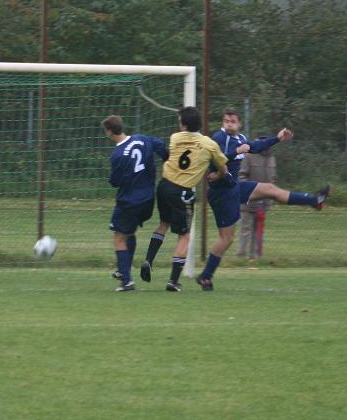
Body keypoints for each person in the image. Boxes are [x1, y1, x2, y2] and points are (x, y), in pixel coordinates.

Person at [196, 110, 329, 290]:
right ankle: (206, 276)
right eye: (226, 121)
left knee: (271, 189)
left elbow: (256, 147)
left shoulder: (240, 137)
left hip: (234, 187)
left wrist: (278, 138)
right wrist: (235, 152)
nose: (229, 124)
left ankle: (315, 200)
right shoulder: (220, 137)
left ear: (239, 124)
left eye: (233, 121)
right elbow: (214, 161)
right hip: (222, 194)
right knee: (226, 239)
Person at [140, 106, 230, 292]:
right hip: (183, 192)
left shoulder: (175, 138)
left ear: (183, 124)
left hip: (164, 185)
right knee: (185, 236)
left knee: (163, 223)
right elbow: (223, 168)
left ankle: (148, 259)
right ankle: (173, 281)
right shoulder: (209, 144)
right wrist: (217, 175)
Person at [102, 115, 168, 292]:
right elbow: (161, 147)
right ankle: (124, 270)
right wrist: (167, 162)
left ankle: (127, 282)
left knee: (118, 237)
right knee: (129, 233)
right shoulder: (142, 139)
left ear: (109, 131)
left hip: (129, 201)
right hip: (148, 199)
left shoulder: (117, 155)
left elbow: (115, 181)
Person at [237, 135, 277, 258]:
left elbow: (273, 179)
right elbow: (242, 176)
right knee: (246, 229)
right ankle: (241, 257)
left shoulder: (271, 158)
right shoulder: (249, 155)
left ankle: (255, 256)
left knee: (258, 229)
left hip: (263, 201)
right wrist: (248, 192)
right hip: (248, 200)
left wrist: (270, 196)